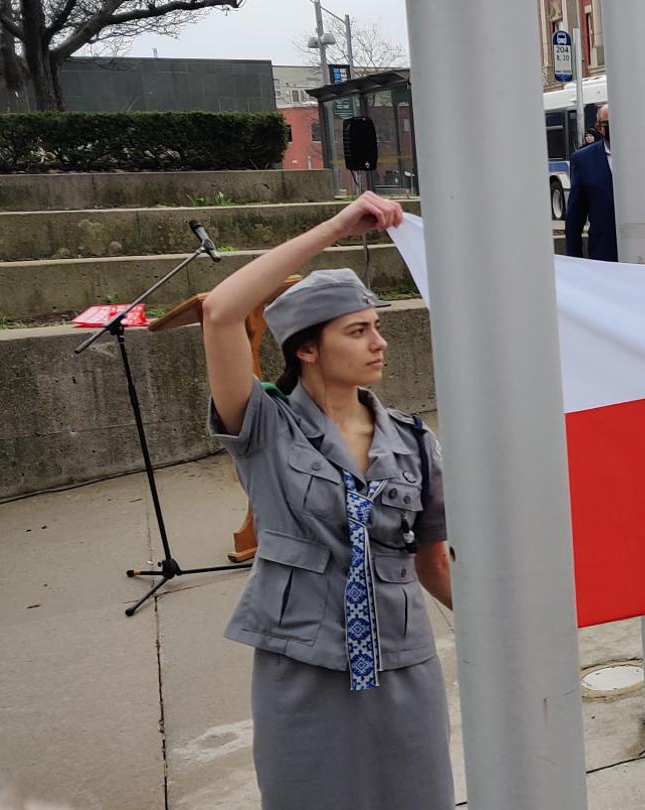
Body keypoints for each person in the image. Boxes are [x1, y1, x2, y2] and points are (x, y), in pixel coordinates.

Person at [201, 193, 454, 809]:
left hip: (401, 663)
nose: (380, 343)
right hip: (302, 667)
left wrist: (507, 633)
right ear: (306, 349)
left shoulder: (415, 441)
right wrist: (340, 226)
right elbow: (220, 313)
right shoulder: (264, 426)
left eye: (378, 328)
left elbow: (434, 563)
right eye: (358, 330)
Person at [563, 103, 617, 261]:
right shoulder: (583, 159)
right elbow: (575, 212)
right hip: (604, 252)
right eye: (608, 124)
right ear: (599, 127)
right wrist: (574, 258)